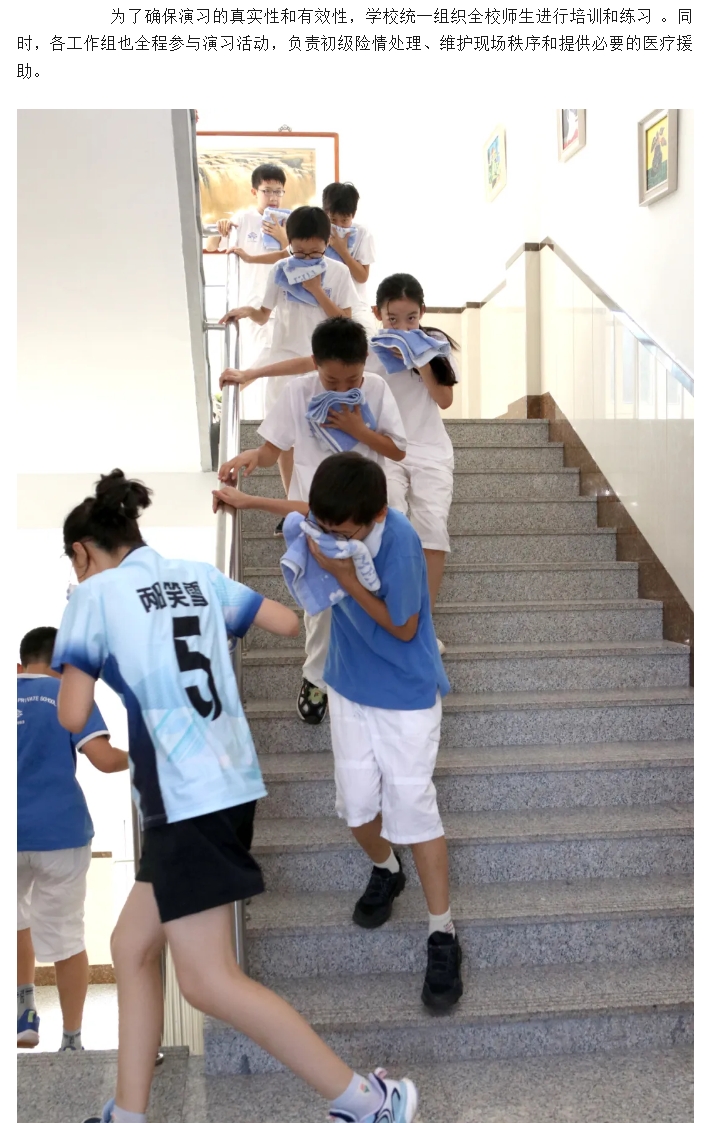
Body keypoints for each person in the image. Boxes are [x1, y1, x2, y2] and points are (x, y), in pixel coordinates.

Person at [50, 470, 418, 1123]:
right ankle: (128, 1113)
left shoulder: (94, 595)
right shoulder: (196, 576)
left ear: (82, 552)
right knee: (132, 943)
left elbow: (72, 713)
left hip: (183, 795)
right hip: (228, 786)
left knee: (207, 980)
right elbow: (285, 620)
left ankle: (369, 1101)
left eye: (72, 564)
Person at [304, 452, 463, 1011]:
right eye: (324, 527)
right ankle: (386, 869)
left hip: (405, 695)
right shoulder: (332, 521)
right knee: (356, 810)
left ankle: (442, 933)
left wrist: (345, 578)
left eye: (342, 532)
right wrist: (247, 500)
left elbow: (404, 626)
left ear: (373, 515)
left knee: (413, 811)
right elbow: (301, 513)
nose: (331, 538)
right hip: (349, 686)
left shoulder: (400, 542)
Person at [215, 317, 406, 726]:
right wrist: (252, 456)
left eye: (351, 379)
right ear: (315, 363)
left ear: (364, 363)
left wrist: (357, 428)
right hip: (316, 514)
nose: (341, 388)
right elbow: (272, 450)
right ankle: (316, 676)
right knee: (321, 602)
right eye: (331, 380)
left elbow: (396, 450)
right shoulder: (298, 391)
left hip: (365, 512)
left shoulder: (375, 389)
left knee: (370, 591)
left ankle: (368, 665)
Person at [17, 626, 129, 1052]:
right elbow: (104, 760)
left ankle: (24, 1012)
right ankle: (71, 1040)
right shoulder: (69, 695)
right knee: (66, 940)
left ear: (21, 664)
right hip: (61, 835)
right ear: (64, 666)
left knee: (15, 921)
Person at [219, 206, 357, 507]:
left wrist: (317, 290)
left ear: (327, 243)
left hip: (323, 367)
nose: (306, 259)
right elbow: (263, 314)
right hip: (282, 363)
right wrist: (247, 311)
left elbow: (345, 322)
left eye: (315, 252)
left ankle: (325, 505)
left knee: (325, 437)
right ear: (289, 243)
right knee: (284, 441)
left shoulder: (338, 272)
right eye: (299, 252)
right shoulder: (280, 270)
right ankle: (293, 505)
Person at [368, 273, 458, 655]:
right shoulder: (368, 351)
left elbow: (445, 400)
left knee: (432, 530)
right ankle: (392, 616)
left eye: (411, 318)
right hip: (387, 449)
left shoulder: (435, 346)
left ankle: (422, 625)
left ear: (422, 312)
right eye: (393, 319)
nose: (403, 327)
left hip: (431, 450)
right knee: (392, 523)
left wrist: (421, 359)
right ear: (377, 314)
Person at [216, 163, 289, 384]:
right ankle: (235, 391)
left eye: (278, 191)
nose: (273, 197)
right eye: (267, 191)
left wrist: (282, 236)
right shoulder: (243, 219)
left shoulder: (289, 221)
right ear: (254, 191)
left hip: (282, 303)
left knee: (276, 363)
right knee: (258, 357)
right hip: (252, 301)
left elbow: (296, 256)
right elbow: (213, 245)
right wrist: (222, 226)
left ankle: (237, 390)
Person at [322, 181, 377, 336]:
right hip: (324, 300)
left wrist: (343, 251)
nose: (339, 225)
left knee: (367, 338)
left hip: (355, 303)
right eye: (333, 220)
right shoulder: (319, 232)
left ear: (353, 215)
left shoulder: (362, 233)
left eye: (345, 221)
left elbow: (362, 277)